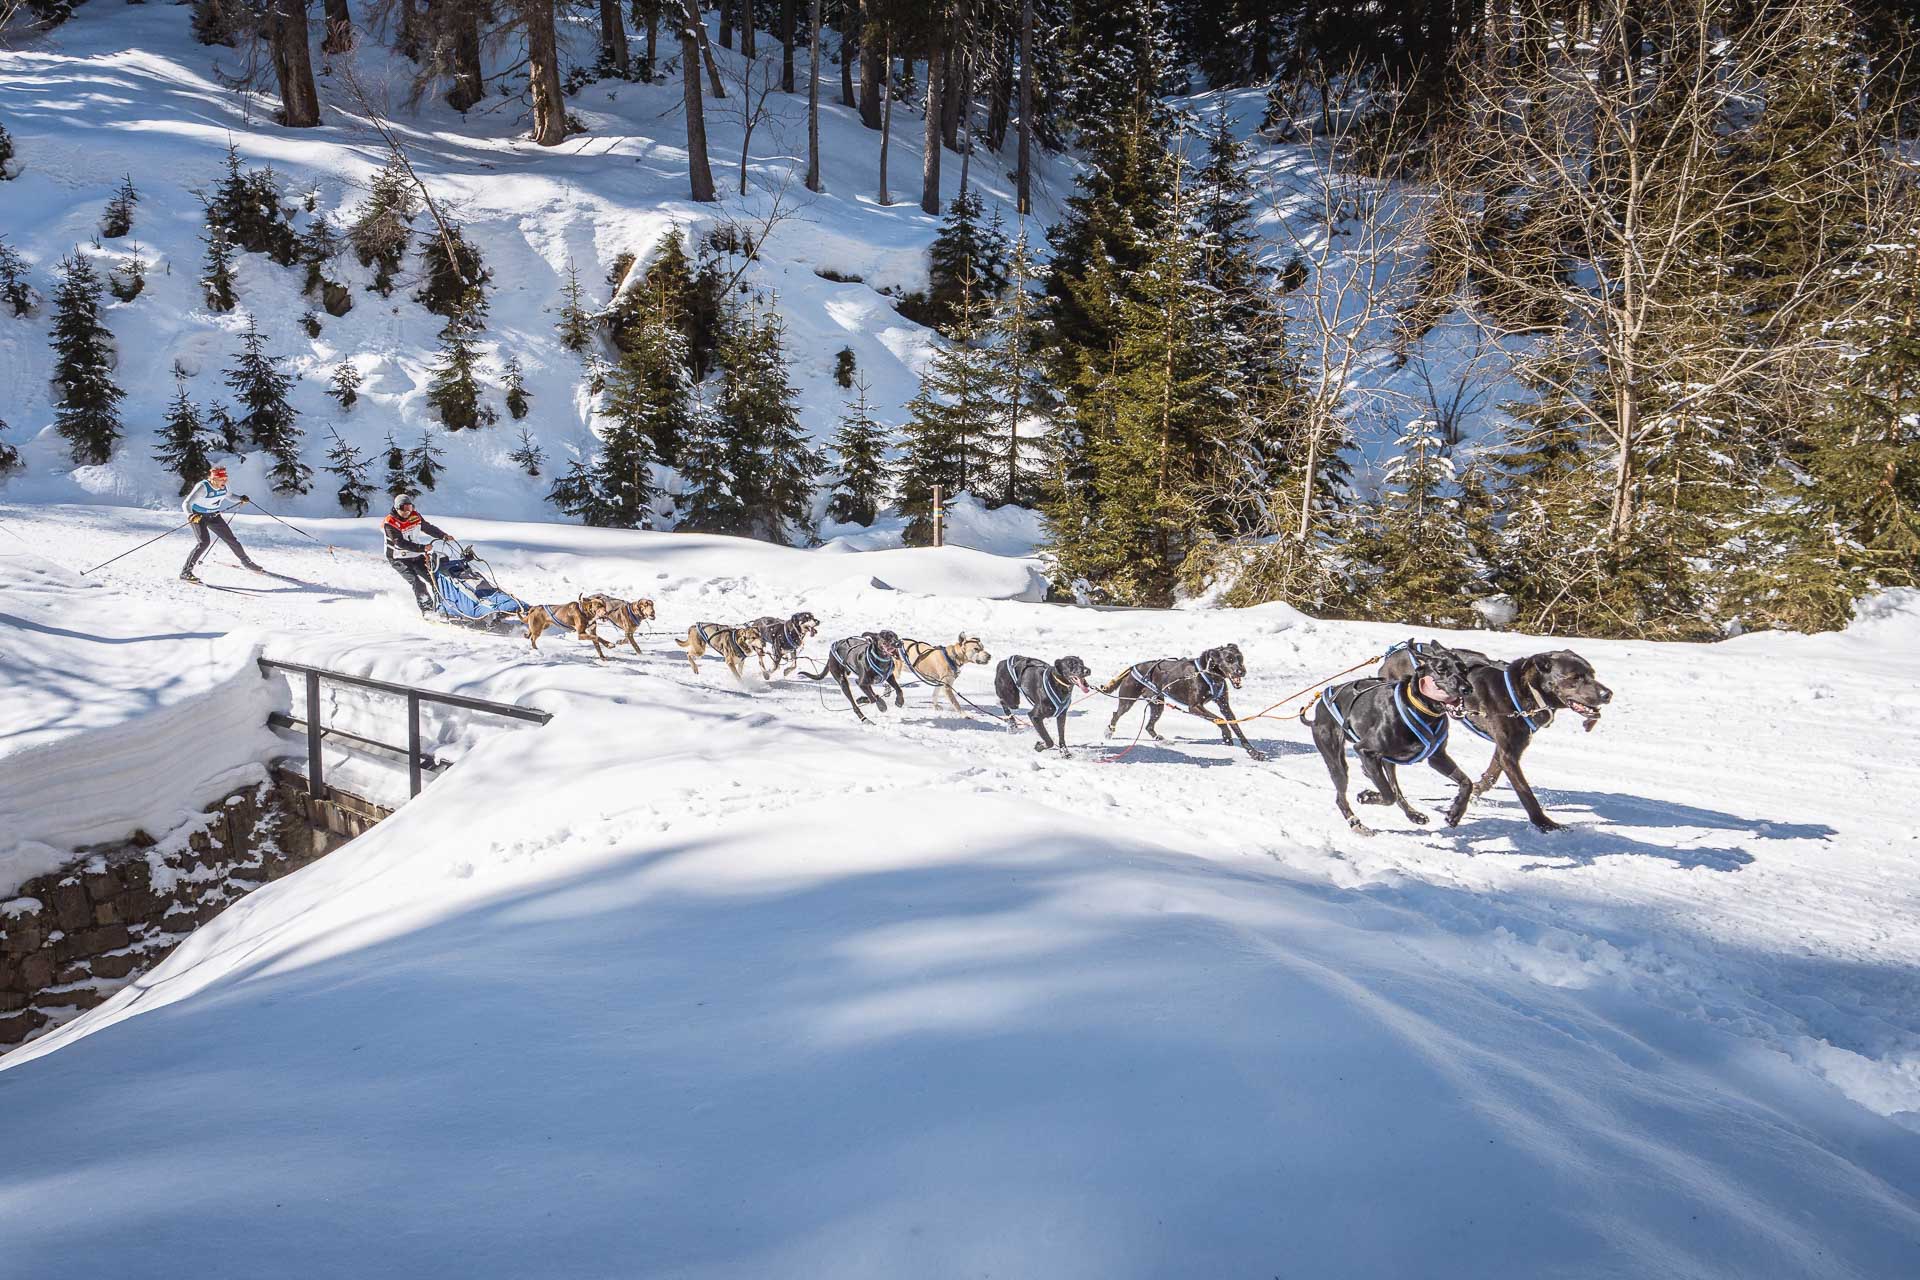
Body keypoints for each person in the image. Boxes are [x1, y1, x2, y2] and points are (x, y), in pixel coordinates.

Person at [180, 464, 263, 583]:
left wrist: (240, 498)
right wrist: (190, 515)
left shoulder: (225, 487)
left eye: (225, 479)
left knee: (231, 539)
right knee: (204, 542)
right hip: (198, 516)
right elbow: (186, 503)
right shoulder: (203, 487)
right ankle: (185, 572)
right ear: (213, 479)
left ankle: (247, 562)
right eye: (221, 479)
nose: (224, 481)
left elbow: (229, 496)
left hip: (214, 516)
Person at [383, 492, 453, 615]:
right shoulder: (390, 522)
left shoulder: (415, 516)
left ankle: (446, 606)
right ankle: (428, 611)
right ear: (396, 508)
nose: (407, 512)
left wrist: (443, 536)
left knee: (435, 579)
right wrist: (422, 548)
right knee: (417, 583)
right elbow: (400, 543)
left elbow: (428, 528)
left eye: (409, 508)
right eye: (404, 509)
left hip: (415, 555)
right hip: (399, 558)